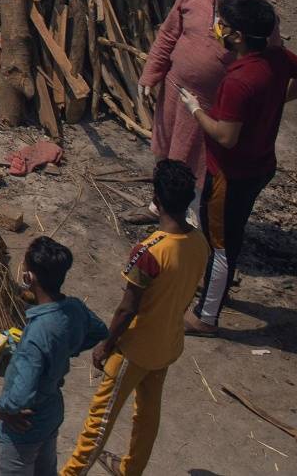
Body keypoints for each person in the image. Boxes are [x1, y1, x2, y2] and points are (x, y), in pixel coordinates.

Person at [57, 159, 206, 476]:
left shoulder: (150, 251)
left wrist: (106, 346)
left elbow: (128, 307)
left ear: (158, 200)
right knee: (147, 416)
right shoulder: (200, 244)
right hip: (167, 345)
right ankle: (130, 469)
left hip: (135, 349)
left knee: (99, 420)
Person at [183, 0, 297, 331]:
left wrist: (195, 109)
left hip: (230, 172)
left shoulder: (239, 82)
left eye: (222, 25)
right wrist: (275, 102)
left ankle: (205, 317)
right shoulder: (278, 58)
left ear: (237, 36)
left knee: (221, 244)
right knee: (231, 234)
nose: (217, 28)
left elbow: (225, 135)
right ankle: (216, 289)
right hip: (261, 166)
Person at [0, 238, 108, 476]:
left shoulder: (37, 335)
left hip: (24, 429)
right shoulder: (74, 308)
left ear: (30, 277)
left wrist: (3, 410)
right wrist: (66, 348)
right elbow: (99, 331)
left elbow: (20, 395)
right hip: (51, 413)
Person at [142, 0, 251, 178]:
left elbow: (265, 62)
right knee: (166, 147)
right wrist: (152, 72)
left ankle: (191, 209)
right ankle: (162, 201)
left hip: (214, 103)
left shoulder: (255, 12)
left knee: (200, 160)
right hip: (175, 90)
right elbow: (169, 33)